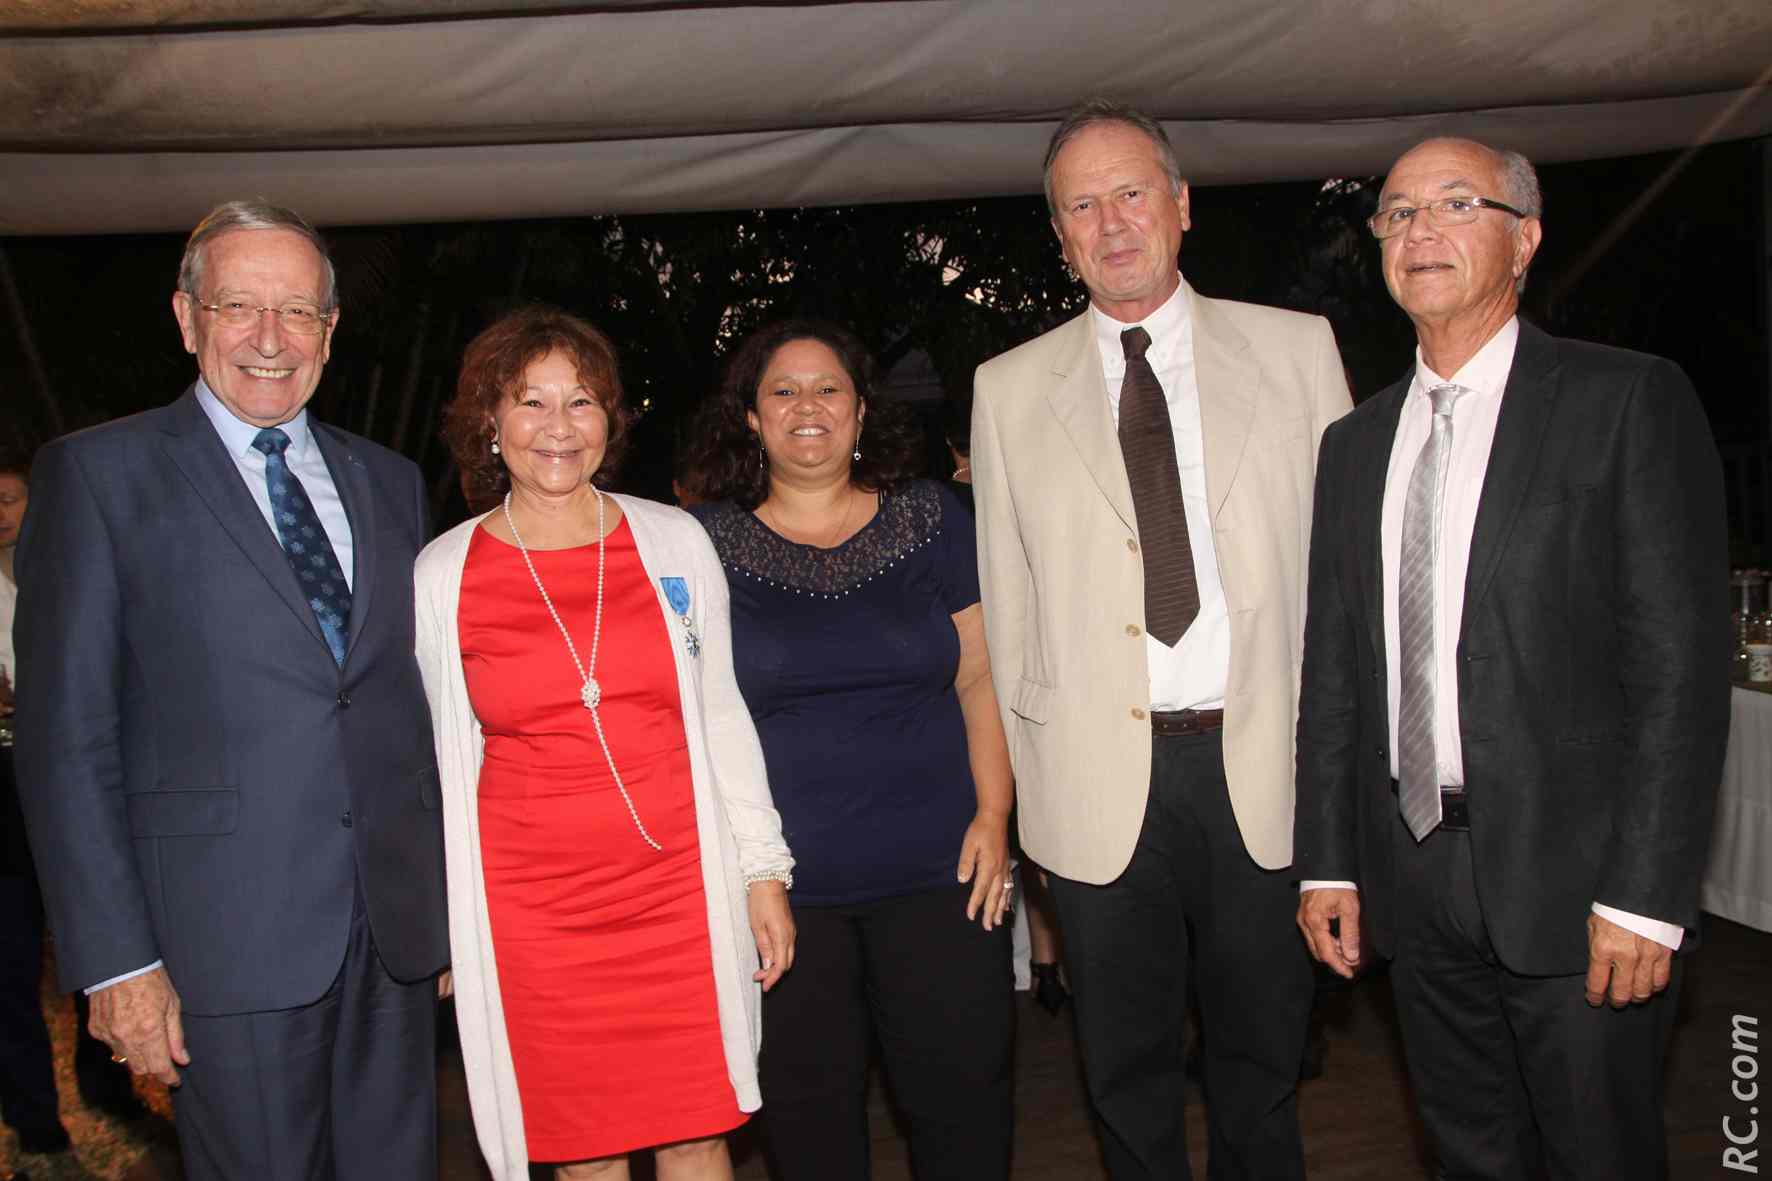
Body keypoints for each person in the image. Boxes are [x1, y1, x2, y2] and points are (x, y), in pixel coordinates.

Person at [1294, 137, 1729, 1180]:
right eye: (1397, 213)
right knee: (1466, 1154)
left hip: (1581, 884)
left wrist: (1644, 892)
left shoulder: (1624, 400)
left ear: (1524, 239)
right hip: (1412, 873)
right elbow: (1336, 670)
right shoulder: (1353, 445)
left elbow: (1678, 667)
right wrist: (1328, 858)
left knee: (1598, 1156)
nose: (1420, 231)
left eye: (1456, 204)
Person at [11, 202, 449, 1180]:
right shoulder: (96, 476)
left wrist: (444, 910)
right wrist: (116, 960)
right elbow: (66, 740)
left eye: (297, 311)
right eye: (239, 305)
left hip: (391, 939)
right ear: (186, 317)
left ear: (330, 329)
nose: (269, 337)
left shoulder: (390, 481)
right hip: (221, 944)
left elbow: (403, 707)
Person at [971, 99, 1351, 1179]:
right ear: (1059, 236)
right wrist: (1031, 791)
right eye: (1081, 206)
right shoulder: (1006, 390)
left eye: (1131, 192)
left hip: (1263, 766)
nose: (1111, 223)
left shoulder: (1296, 351)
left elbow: (1345, 575)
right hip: (1097, 785)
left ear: (1181, 205)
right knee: (1123, 1075)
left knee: (1261, 1066)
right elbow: (1009, 604)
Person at [415, 305, 795, 1181]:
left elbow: (722, 711)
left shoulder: (674, 541)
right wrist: (441, 920)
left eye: (581, 401)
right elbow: (433, 765)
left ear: (610, 420)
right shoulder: (443, 574)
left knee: (697, 1133)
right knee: (584, 1154)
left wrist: (762, 870)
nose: (559, 426)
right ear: (490, 421)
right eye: (531, 401)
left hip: (678, 897)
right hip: (534, 919)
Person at [686, 319, 1015, 1180]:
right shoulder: (701, 545)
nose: (808, 405)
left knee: (964, 1115)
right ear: (751, 417)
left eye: (829, 387)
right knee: (810, 1134)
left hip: (943, 872)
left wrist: (995, 812)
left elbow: (980, 675)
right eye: (783, 390)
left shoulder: (932, 516)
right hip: (783, 896)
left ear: (862, 410)